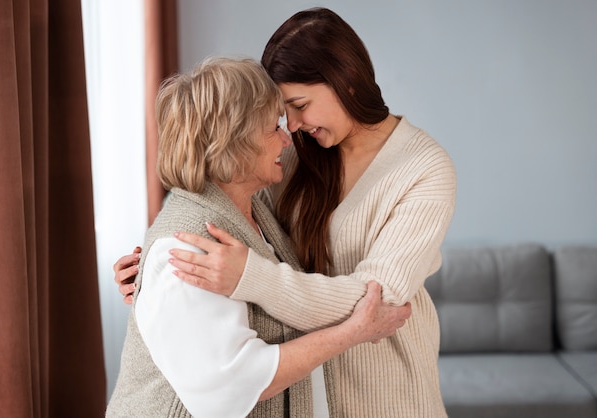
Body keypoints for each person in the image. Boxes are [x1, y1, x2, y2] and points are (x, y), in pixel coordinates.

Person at [117, 7, 456, 417]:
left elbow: (377, 300)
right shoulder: (294, 159)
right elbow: (239, 228)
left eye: (299, 105)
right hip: (308, 390)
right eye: (280, 114)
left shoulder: (424, 168)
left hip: (384, 387)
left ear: (345, 81)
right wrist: (156, 275)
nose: (291, 127)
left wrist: (249, 278)